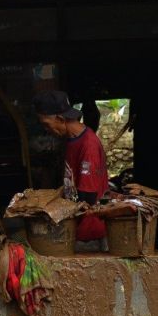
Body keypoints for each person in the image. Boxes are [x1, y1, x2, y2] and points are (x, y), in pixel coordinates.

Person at [34, 90, 109, 250]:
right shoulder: (71, 140)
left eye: (46, 124)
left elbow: (87, 198)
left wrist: (53, 209)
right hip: (75, 231)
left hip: (89, 234)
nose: (46, 129)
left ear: (60, 119)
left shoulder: (88, 145)